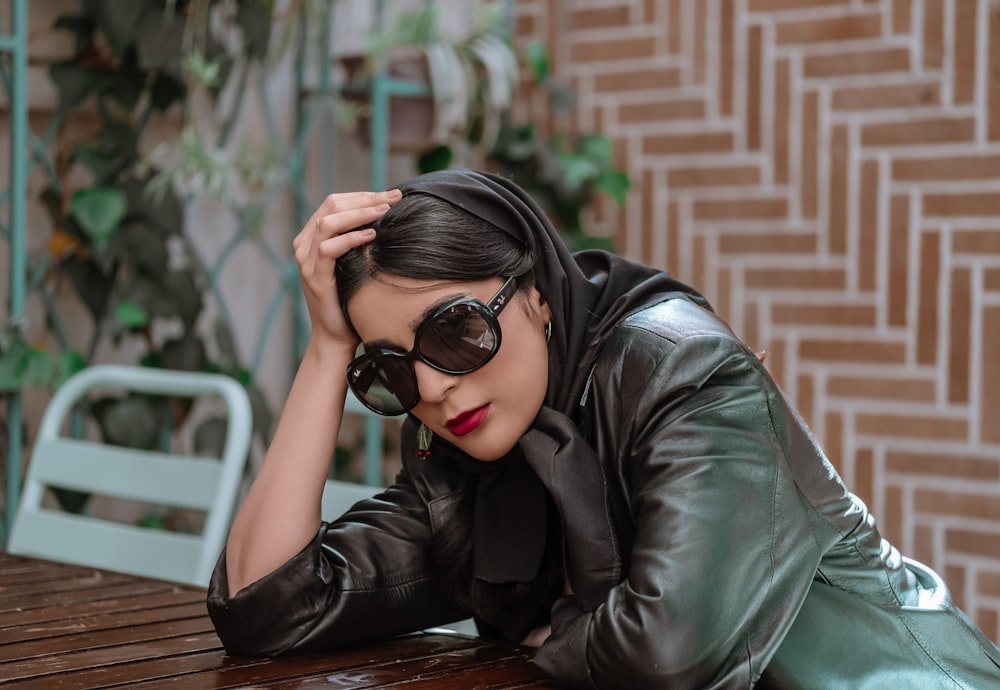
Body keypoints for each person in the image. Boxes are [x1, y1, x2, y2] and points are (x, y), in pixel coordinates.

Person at [207, 169, 1000, 689]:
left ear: (539, 294)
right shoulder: (473, 461)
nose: (438, 389)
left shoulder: (683, 368)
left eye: (454, 331)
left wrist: (564, 634)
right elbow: (264, 608)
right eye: (392, 372)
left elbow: (667, 651)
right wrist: (326, 353)